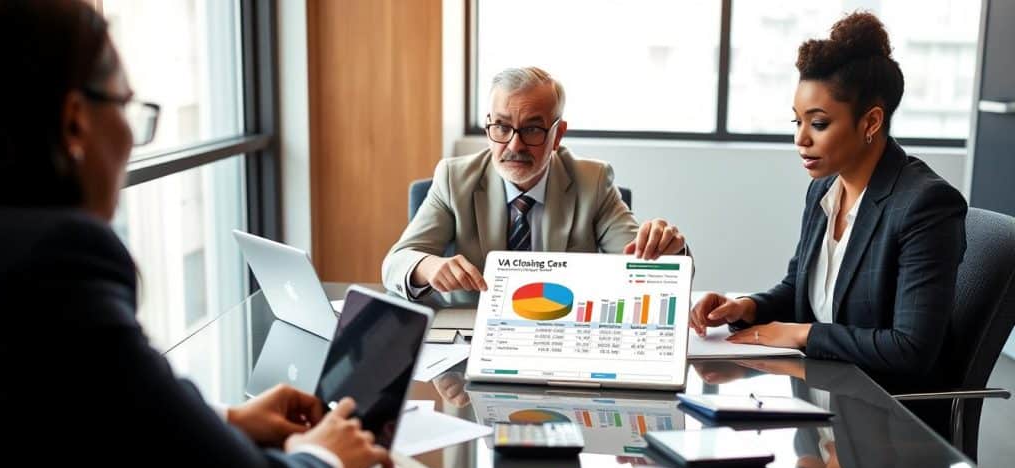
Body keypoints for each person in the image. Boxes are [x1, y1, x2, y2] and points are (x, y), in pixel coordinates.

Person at [0, 1, 390, 468]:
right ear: (75, 119)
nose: (132, 137)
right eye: (130, 106)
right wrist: (324, 458)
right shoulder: (54, 264)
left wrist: (223, 421)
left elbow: (56, 413)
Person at [690, 12, 967, 394]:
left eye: (818, 124)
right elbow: (799, 288)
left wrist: (801, 334)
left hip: (884, 414)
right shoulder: (824, 190)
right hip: (821, 393)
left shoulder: (925, 205)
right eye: (797, 122)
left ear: (870, 122)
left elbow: (910, 348)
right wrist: (747, 308)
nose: (801, 139)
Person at [382, 66, 688, 306]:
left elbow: (639, 265)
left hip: (562, 331)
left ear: (558, 135)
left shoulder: (592, 182)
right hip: (470, 336)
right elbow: (396, 263)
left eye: (531, 129)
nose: (514, 145)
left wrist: (667, 250)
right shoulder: (454, 178)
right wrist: (427, 266)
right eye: (501, 126)